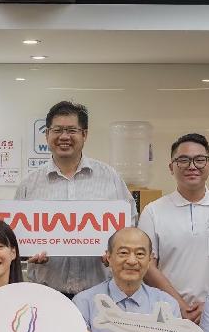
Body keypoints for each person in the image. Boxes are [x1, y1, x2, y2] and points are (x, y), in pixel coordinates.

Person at [15, 100, 136, 296]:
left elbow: (130, 226)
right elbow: (16, 236)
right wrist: (28, 253)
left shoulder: (110, 177)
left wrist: (116, 252)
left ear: (84, 134)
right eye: (57, 130)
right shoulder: (29, 184)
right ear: (47, 134)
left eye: (72, 130)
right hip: (46, 293)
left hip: (101, 294)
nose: (64, 136)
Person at [138, 133, 209, 323]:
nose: (192, 166)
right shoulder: (153, 211)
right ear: (171, 167)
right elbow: (147, 265)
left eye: (200, 160)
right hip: (166, 312)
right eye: (183, 160)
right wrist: (178, 304)